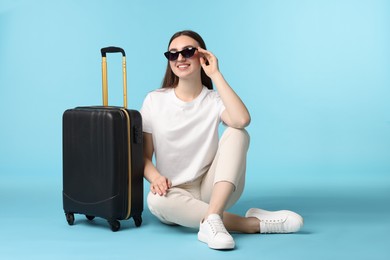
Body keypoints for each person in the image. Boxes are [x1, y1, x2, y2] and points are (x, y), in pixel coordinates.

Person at [140, 30, 303, 250]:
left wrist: (215, 73)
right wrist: (156, 177)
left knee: (237, 132)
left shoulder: (214, 100)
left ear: (202, 56)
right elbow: (143, 157)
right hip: (174, 194)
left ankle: (214, 216)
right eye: (173, 54)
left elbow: (242, 119)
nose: (180, 58)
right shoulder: (154, 100)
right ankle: (249, 224)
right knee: (155, 201)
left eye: (188, 52)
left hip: (215, 189)